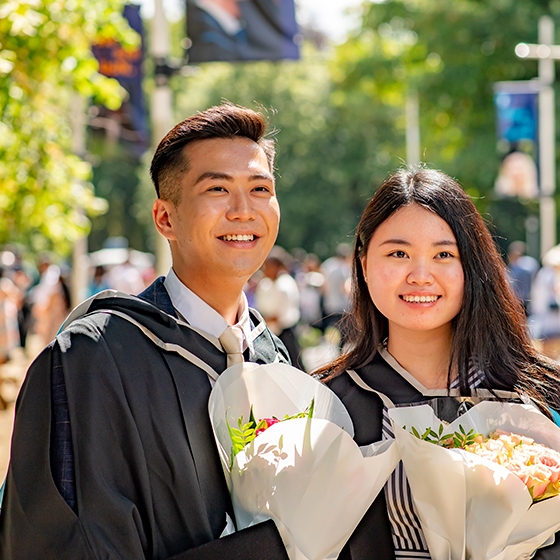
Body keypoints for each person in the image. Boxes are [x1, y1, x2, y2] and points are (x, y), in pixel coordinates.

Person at [0, 104, 291, 559]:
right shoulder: (94, 357)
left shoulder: (274, 359)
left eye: (260, 189)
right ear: (165, 219)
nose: (243, 210)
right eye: (218, 188)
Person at [315, 166, 560, 560]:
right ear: (362, 264)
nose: (421, 275)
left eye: (444, 254)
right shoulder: (327, 408)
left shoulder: (540, 397)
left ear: (472, 267)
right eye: (398, 253)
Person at [255, 245, 302, 368]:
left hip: (285, 334)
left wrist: (259, 319)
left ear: (276, 266)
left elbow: (279, 317)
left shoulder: (285, 285)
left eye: (267, 266)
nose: (264, 269)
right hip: (270, 331)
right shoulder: (265, 284)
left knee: (294, 366)